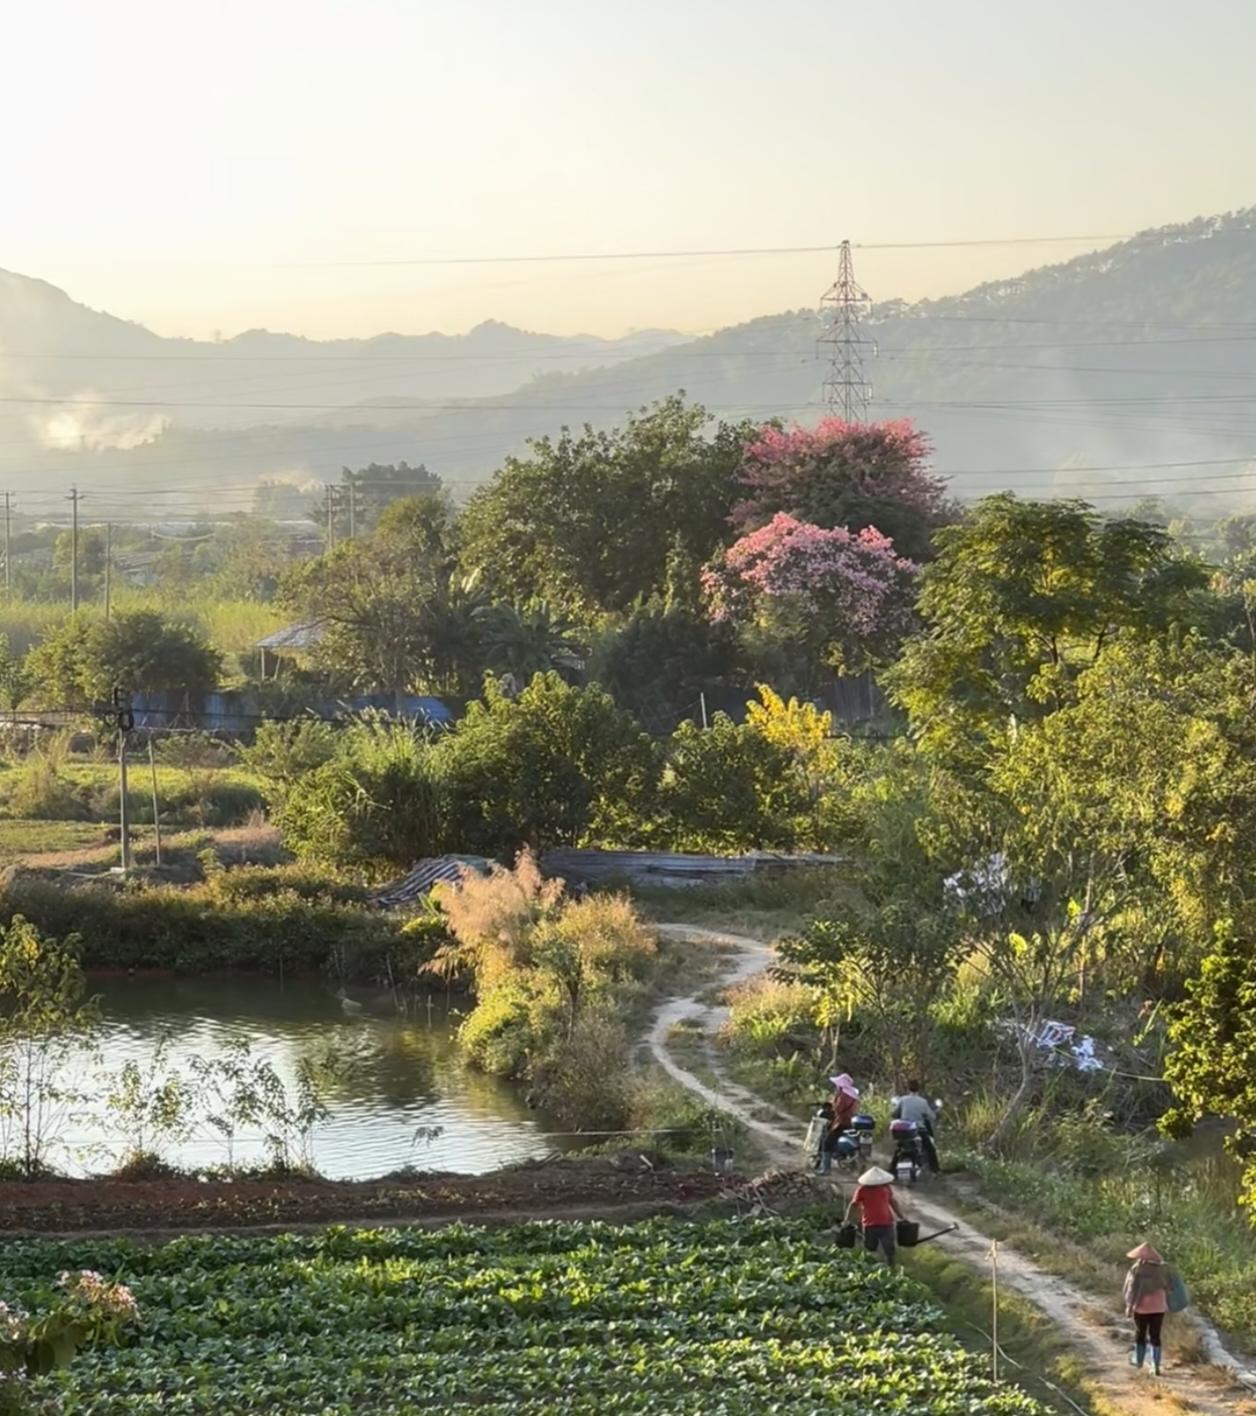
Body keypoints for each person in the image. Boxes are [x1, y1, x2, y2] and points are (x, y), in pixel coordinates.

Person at [844, 1166, 905, 1265]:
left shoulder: (886, 1188)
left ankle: (891, 1270)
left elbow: (892, 1201)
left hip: (886, 1224)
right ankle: (871, 1269)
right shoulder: (862, 1190)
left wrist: (901, 1216)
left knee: (889, 1250)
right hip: (869, 1225)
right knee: (870, 1250)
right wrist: (847, 1220)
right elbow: (853, 1205)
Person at [1124, 1241, 1169, 1374]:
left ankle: (1139, 1362)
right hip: (1159, 1308)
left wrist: (1129, 1306)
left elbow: (1131, 1290)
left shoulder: (1137, 1270)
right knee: (1155, 1335)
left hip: (1141, 1308)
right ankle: (1156, 1366)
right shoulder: (1162, 1270)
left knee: (1140, 1333)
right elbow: (1168, 1287)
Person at [892, 1080, 940, 1173]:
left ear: (908, 1088)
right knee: (930, 1149)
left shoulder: (902, 1100)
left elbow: (894, 1114)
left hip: (904, 1130)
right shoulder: (922, 1102)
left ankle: (892, 1170)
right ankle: (935, 1170)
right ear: (919, 1089)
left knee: (898, 1149)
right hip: (918, 1130)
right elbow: (931, 1117)